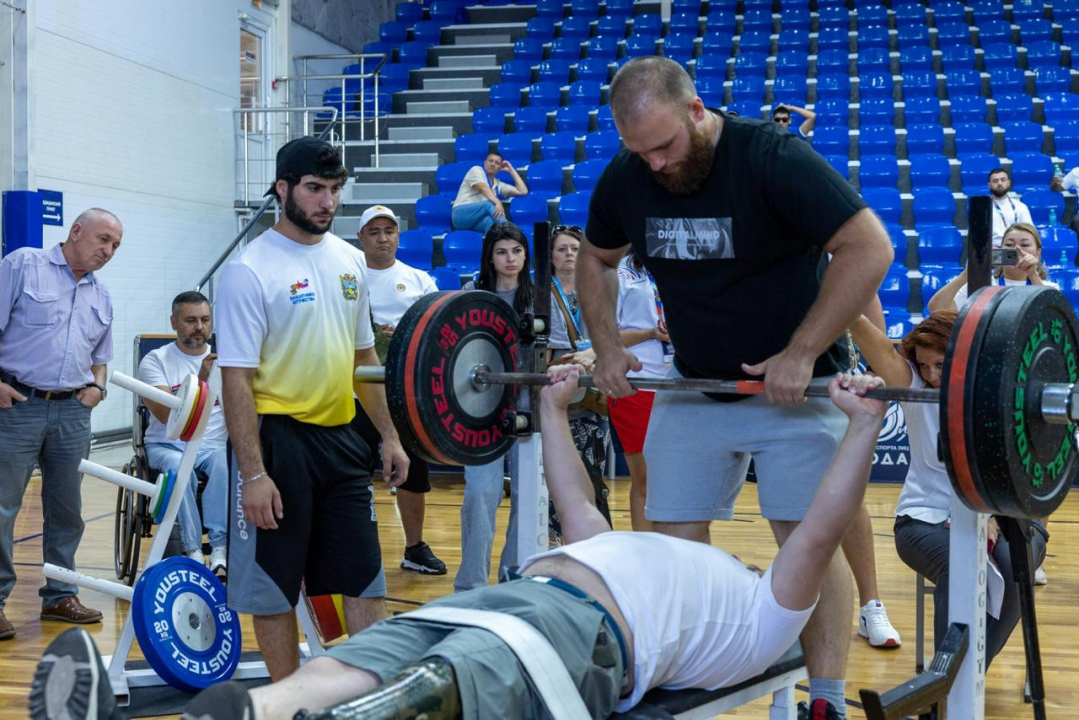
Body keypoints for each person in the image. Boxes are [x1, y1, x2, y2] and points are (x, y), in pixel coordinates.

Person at [34, 369, 891, 720]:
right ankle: (247, 712)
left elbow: (817, 529)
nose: (756, 560)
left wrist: (859, 427)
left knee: (432, 691)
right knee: (362, 655)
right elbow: (574, 501)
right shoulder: (644, 552)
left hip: (576, 639)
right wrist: (551, 408)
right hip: (512, 602)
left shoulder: (763, 618)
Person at [577, 56, 894, 718]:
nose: (656, 165)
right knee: (669, 545)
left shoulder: (769, 157)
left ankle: (825, 700)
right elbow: (595, 258)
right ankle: (680, 687)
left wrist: (802, 351)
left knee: (806, 541)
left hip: (797, 393)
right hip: (695, 389)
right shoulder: (629, 175)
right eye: (640, 152)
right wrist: (605, 344)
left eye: (663, 145)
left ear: (697, 110)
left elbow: (868, 247)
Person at [215, 137, 409, 680]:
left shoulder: (350, 261)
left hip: (342, 437)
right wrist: (253, 472)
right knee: (274, 587)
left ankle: (370, 698)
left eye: (335, 190)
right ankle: (286, 702)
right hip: (277, 444)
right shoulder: (248, 271)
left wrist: (389, 436)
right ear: (283, 190)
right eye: (315, 189)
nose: (328, 201)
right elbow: (237, 380)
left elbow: (363, 356)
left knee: (365, 576)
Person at [849, 309, 1048, 669]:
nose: (931, 375)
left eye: (940, 364)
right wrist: (839, 297)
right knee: (961, 566)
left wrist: (986, 513)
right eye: (924, 365)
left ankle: (959, 675)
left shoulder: (996, 386)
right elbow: (873, 342)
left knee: (1016, 565)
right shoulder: (912, 384)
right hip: (923, 517)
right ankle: (950, 682)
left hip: (1003, 511)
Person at [0, 208, 123, 640]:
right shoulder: (21, 266)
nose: (108, 251)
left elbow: (101, 358)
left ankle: (60, 597)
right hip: (16, 406)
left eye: (115, 246)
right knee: (2, 508)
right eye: (103, 239)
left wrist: (98, 389)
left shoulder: (101, 294)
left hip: (73, 412)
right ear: (75, 231)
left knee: (68, 511)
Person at [353, 205, 446, 575]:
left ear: (398, 235)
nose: (382, 238)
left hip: (404, 392)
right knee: (352, 471)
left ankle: (414, 547)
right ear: (361, 238)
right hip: (355, 390)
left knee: (413, 471)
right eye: (373, 232)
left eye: (388, 231)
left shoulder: (419, 279)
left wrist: (408, 333)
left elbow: (438, 330)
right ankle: (356, 545)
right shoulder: (347, 279)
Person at [455, 222, 533, 592]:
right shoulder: (471, 293)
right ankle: (469, 585)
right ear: (490, 256)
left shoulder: (539, 296)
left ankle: (511, 581)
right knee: (480, 494)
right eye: (502, 252)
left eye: (516, 251)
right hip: (479, 408)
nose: (510, 259)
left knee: (525, 494)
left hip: (527, 406)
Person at [138, 291, 229, 575]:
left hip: (213, 444)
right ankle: (191, 550)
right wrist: (202, 381)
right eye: (190, 320)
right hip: (168, 445)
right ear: (174, 322)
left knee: (226, 463)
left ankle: (220, 549)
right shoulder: (155, 361)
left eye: (204, 320)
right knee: (180, 468)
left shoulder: (227, 359)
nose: (199, 327)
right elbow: (168, 418)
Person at [546, 225, 613, 543]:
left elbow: (613, 335)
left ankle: (597, 541)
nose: (568, 254)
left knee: (593, 474)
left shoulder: (596, 287)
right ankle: (559, 544)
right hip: (561, 389)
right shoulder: (542, 292)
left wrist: (590, 352)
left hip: (594, 393)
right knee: (559, 480)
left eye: (574, 248)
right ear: (551, 256)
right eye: (561, 248)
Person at [607, 249, 669, 532]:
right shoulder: (621, 275)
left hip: (675, 383)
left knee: (670, 478)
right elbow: (606, 336)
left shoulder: (670, 271)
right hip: (637, 384)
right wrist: (651, 333)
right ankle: (646, 552)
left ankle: (668, 552)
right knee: (645, 478)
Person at [927, 222, 1057, 315]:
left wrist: (1033, 275)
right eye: (1009, 244)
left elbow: (1052, 319)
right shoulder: (981, 285)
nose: (1017, 249)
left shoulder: (1049, 287)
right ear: (1000, 251)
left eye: (1025, 244)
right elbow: (937, 309)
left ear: (1038, 253)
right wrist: (966, 276)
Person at [450, 151, 528, 234]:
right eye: (490, 161)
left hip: (475, 219)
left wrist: (511, 170)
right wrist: (498, 202)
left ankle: (490, 246)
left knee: (490, 224)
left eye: (497, 163)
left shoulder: (498, 184)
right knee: (487, 205)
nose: (493, 164)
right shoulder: (476, 170)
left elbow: (523, 191)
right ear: (485, 163)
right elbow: (483, 188)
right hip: (459, 215)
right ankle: (509, 230)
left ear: (500, 168)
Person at [988, 168, 1032, 246]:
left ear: (1008, 183)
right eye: (995, 181)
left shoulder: (1021, 207)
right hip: (992, 249)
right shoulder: (983, 209)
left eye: (1003, 180)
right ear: (989, 185)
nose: (999, 183)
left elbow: (1029, 233)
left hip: (1017, 249)